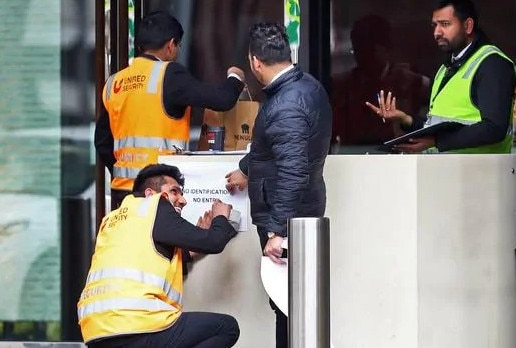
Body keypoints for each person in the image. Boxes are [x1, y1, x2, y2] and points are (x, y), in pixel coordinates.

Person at [225, 23, 332, 348]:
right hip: (299, 214)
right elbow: (277, 147)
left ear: (255, 62)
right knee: (289, 306)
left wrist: (277, 232)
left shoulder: (286, 104)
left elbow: (293, 170)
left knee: (289, 309)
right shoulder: (304, 87)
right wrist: (247, 169)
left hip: (289, 221)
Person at [95, 11, 246, 209]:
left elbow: (102, 141)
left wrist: (124, 171)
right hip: (160, 193)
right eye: (178, 46)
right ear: (171, 44)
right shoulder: (168, 74)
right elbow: (222, 99)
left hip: (122, 194)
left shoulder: (114, 83)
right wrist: (235, 78)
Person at [77, 164, 240, 348]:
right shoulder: (155, 205)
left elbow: (151, 255)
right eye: (174, 192)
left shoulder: (113, 219)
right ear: (150, 193)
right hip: (137, 324)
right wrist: (221, 218)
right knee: (226, 328)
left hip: (97, 331)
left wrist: (194, 244)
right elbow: (214, 242)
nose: (183, 200)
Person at [376, 0, 516, 153]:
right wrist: (406, 119)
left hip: (478, 173)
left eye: (445, 24)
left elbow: (494, 128)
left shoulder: (492, 64)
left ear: (468, 26)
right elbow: (439, 124)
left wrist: (437, 141)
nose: (437, 32)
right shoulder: (446, 68)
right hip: (447, 172)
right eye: (434, 25)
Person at [331, 14, 430, 148]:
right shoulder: (341, 87)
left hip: (401, 156)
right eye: (357, 49)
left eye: (369, 48)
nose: (362, 55)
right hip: (350, 155)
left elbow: (427, 129)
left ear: (386, 46)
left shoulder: (416, 84)